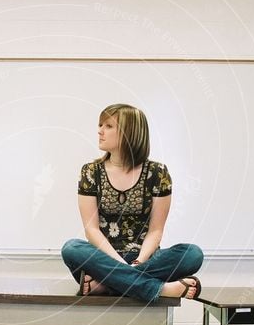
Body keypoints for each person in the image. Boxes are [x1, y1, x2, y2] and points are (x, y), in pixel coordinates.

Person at [61, 103, 203, 302]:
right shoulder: (90, 171)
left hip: (144, 259)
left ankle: (108, 286)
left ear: (129, 132)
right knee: (72, 248)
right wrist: (120, 265)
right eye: (100, 125)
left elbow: (156, 230)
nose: (100, 131)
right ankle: (159, 289)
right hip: (103, 260)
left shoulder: (157, 173)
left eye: (108, 126)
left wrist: (137, 262)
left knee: (192, 254)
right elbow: (91, 230)